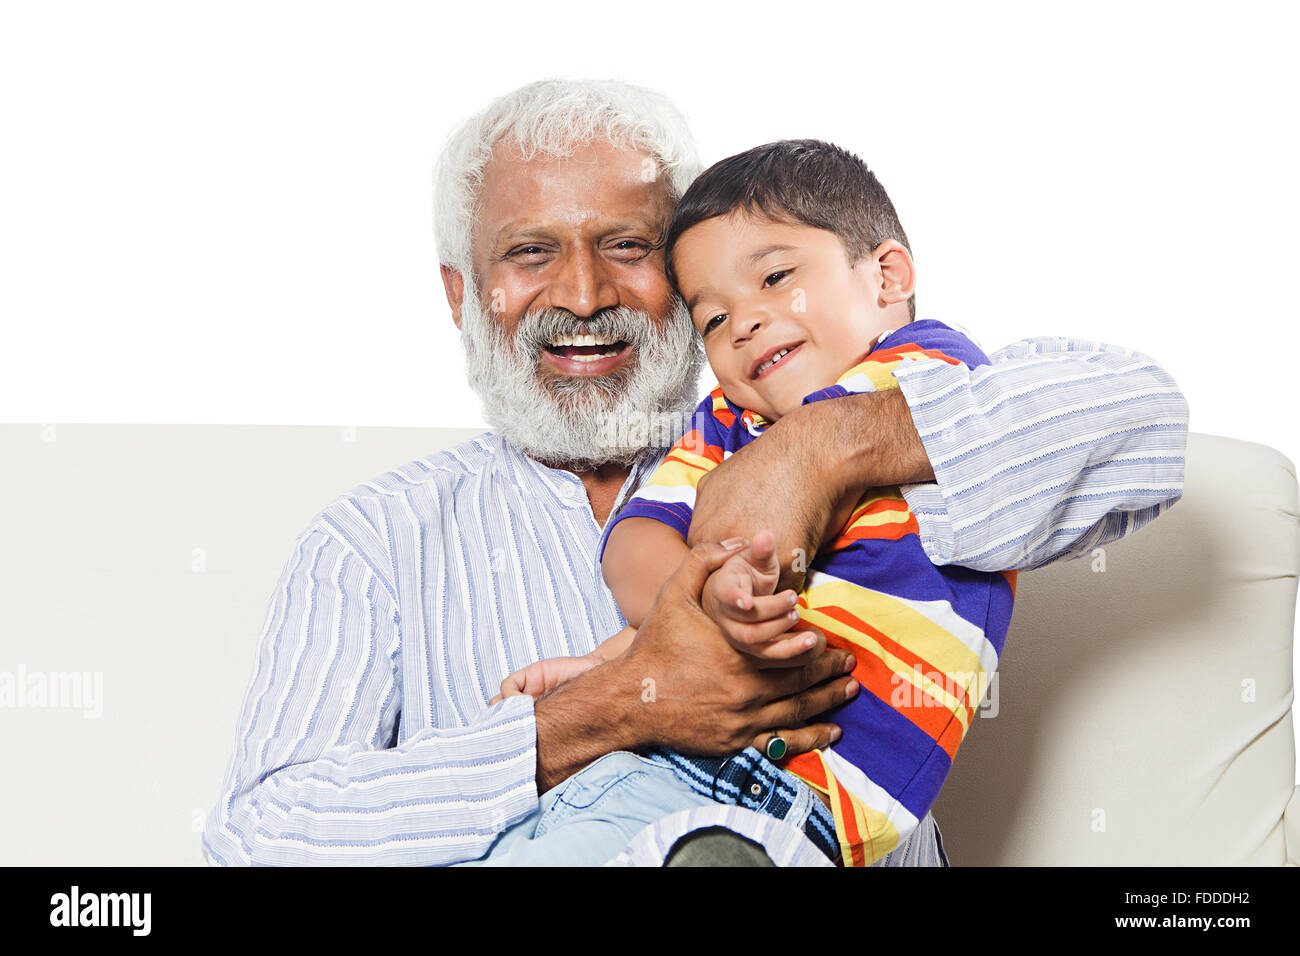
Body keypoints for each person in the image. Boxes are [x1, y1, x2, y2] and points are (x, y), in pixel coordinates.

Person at [201, 79, 1188, 867]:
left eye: (626, 247)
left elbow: (1144, 424)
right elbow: (258, 837)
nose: (583, 294)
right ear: (463, 293)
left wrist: (828, 446)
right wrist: (611, 702)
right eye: (530, 252)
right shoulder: (372, 543)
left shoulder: (855, 410)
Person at [491, 139, 1014, 867]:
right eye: (711, 319)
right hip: (646, 770)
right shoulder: (726, 422)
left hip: (796, 804)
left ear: (887, 275)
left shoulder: (935, 379)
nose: (743, 323)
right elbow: (634, 545)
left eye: (775, 277)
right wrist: (622, 658)